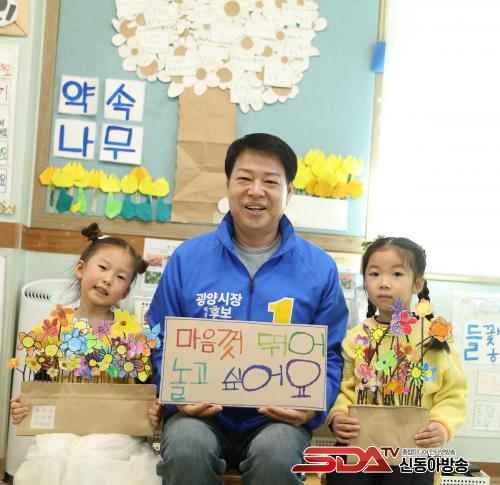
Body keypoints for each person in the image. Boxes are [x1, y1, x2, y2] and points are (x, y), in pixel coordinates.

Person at [147, 133, 349, 484]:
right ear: (228, 186)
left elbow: (331, 353)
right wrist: (176, 395)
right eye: (244, 179)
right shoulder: (188, 258)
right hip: (199, 415)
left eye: (270, 181)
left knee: (277, 454)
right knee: (186, 446)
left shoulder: (319, 268)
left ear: (288, 192)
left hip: (278, 420)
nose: (256, 191)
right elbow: (158, 337)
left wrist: (312, 406)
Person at [9, 223, 161, 485]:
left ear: (125, 292)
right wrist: (23, 408)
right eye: (102, 267)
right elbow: (41, 385)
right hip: (61, 429)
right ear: (81, 269)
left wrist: (153, 412)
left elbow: (143, 390)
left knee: (89, 460)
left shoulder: (133, 334)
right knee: (51, 456)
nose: (108, 279)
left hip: (115, 433)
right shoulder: (53, 327)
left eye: (120, 277)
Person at [326, 236, 468, 485]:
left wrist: (442, 425)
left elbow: (453, 393)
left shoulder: (435, 336)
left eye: (397, 274)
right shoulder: (355, 337)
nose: (384, 283)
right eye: (374, 274)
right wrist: (338, 415)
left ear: (417, 283)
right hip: (361, 443)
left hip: (414, 445)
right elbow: (344, 389)